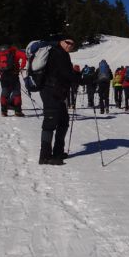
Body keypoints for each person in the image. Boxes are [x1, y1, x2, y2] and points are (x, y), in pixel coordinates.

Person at [39, 36, 78, 165]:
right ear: (61, 41)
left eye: (72, 44)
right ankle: (44, 156)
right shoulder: (56, 53)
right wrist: (81, 79)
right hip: (50, 91)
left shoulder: (64, 54)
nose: (70, 45)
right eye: (68, 42)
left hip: (59, 93)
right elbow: (65, 73)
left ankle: (58, 152)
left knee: (63, 121)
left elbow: (66, 73)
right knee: (50, 123)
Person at [0, 44, 27, 117]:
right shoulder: (14, 52)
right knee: (16, 92)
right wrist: (22, 67)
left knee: (4, 92)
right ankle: (18, 112)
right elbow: (24, 56)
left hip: (4, 76)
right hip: (14, 75)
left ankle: (4, 112)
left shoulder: (0, 54)